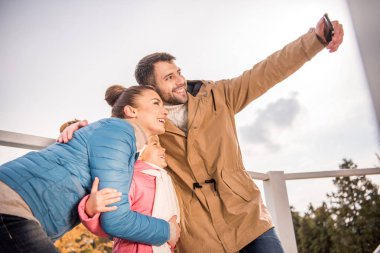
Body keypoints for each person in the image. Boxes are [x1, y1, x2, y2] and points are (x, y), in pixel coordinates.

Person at [59, 15, 344, 253]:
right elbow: (111, 133)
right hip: (197, 237)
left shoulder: (219, 96)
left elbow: (267, 71)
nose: (180, 80)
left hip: (247, 220)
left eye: (179, 72)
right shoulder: (146, 125)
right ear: (152, 89)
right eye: (169, 78)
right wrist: (76, 128)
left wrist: (315, 40)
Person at [0, 85, 180, 253]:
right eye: (156, 103)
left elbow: (113, 220)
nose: (164, 111)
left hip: (26, 213)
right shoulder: (119, 130)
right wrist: (168, 231)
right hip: (12, 204)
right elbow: (116, 220)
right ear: (131, 110)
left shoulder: (124, 147)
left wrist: (90, 209)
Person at [78, 134, 180, 253]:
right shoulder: (131, 178)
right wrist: (91, 210)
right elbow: (111, 218)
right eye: (155, 144)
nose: (163, 149)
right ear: (139, 153)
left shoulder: (165, 180)